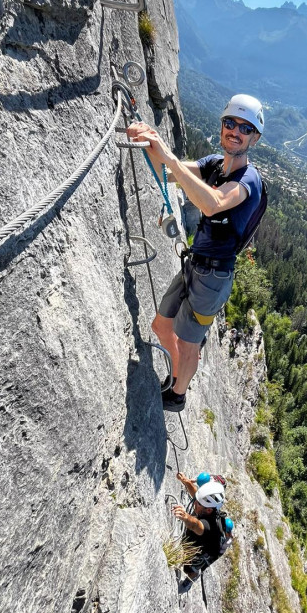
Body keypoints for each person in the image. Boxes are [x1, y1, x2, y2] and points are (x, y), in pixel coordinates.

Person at [127, 94, 264, 412]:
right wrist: (148, 140)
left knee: (189, 343)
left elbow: (213, 203)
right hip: (195, 265)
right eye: (230, 123)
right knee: (161, 326)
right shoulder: (214, 164)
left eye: (245, 128)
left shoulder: (249, 181)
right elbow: (170, 174)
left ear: (254, 138)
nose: (235, 131)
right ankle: (176, 375)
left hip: (214, 278)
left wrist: (169, 159)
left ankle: (177, 394)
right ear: (222, 127)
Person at [172, 475, 226, 592]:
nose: (195, 502)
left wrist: (186, 516)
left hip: (205, 550)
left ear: (208, 510)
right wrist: (186, 482)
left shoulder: (207, 525)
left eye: (198, 503)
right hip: (200, 540)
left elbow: (195, 525)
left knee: (189, 568)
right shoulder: (207, 506)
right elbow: (196, 494)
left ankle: (192, 578)